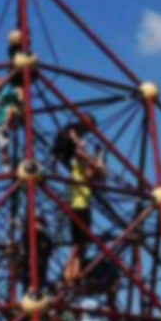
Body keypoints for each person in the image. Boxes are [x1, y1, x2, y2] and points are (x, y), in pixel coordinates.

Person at [53, 116, 107, 283]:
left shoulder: (84, 172)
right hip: (78, 207)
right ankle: (69, 273)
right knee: (78, 244)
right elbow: (88, 163)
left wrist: (99, 158)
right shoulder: (78, 166)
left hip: (83, 207)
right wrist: (89, 154)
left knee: (81, 244)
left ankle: (74, 272)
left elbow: (99, 174)